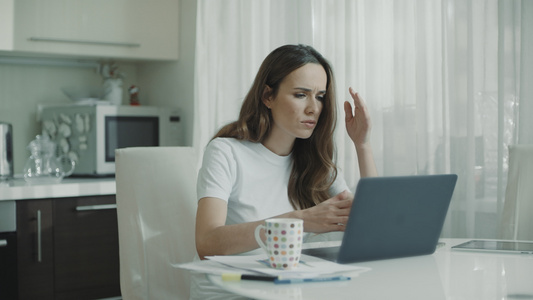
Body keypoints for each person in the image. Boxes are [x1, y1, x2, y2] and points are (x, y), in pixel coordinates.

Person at [190, 44, 378, 299]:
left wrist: (362, 144)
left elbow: (372, 225)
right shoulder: (226, 152)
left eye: (320, 96)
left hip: (290, 290)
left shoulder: (315, 162)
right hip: (232, 292)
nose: (314, 108)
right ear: (268, 96)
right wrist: (300, 221)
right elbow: (206, 243)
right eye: (301, 95)